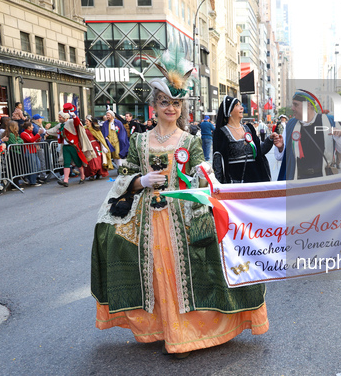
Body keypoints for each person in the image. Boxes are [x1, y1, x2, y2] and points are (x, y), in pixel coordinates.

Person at [91, 49, 268, 359]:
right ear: (154, 106)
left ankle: (182, 336)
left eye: (175, 103)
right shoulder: (139, 141)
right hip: (149, 219)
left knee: (181, 273)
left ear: (181, 106)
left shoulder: (190, 140)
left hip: (182, 220)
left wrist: (206, 173)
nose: (170, 108)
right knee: (158, 273)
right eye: (164, 102)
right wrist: (140, 181)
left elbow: (201, 171)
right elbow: (124, 177)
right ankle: (164, 329)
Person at [275, 90, 341, 180]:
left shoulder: (330, 121)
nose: (292, 108)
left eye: (295, 105)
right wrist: (281, 148)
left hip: (323, 179)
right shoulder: (290, 125)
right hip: (297, 180)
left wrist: (340, 135)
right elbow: (280, 157)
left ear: (307, 105)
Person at [212, 96, 273, 183]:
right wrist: (219, 185)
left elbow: (260, 150)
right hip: (235, 183)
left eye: (240, 105)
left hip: (256, 180)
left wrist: (270, 139)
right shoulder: (221, 133)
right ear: (229, 111)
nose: (242, 107)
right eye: (237, 105)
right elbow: (218, 161)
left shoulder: (249, 128)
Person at [46, 107, 94, 187]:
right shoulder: (60, 125)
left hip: (73, 146)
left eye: (60, 117)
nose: (59, 118)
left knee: (78, 162)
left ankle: (82, 176)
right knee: (66, 163)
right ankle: (66, 180)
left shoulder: (71, 122)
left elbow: (77, 122)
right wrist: (44, 131)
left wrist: (74, 115)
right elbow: (53, 130)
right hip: (65, 147)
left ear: (65, 117)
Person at [3, 120, 26, 190]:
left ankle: (15, 184)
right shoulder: (11, 135)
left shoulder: (14, 134)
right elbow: (15, 145)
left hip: (15, 153)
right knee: (15, 169)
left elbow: (20, 140)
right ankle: (15, 185)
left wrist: (18, 141)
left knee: (16, 168)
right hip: (14, 153)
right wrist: (19, 141)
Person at [19, 121, 42, 187]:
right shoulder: (23, 133)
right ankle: (32, 182)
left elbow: (33, 140)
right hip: (28, 151)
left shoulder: (30, 133)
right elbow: (30, 140)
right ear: (28, 127)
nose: (33, 127)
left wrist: (38, 139)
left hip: (33, 150)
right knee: (32, 167)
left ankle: (31, 179)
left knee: (38, 166)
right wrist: (38, 134)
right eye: (32, 126)